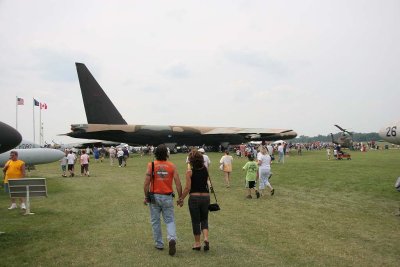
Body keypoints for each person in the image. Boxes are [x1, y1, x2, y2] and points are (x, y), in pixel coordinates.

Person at [143, 144, 182, 256]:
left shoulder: (152, 165)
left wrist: (146, 196)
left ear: (155, 153)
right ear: (167, 154)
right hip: (167, 196)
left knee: (155, 221)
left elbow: (146, 183)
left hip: (154, 196)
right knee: (169, 220)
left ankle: (159, 243)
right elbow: (178, 183)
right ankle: (171, 239)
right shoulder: (171, 166)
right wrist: (180, 197)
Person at [178, 151, 211, 251]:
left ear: (191, 161)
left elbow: (187, 188)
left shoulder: (190, 172)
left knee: (196, 221)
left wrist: (181, 199)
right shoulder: (205, 169)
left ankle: (197, 243)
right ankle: (206, 238)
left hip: (194, 198)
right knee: (204, 219)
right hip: (206, 197)